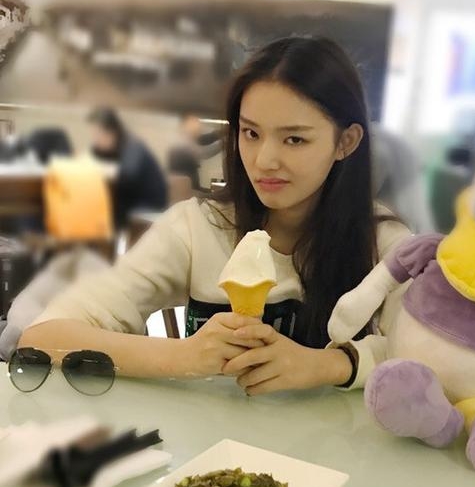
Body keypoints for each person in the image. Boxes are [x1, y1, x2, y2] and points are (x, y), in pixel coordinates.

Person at [20, 36, 410, 395]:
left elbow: (431, 364)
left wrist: (332, 364)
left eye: (294, 139)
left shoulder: (387, 246)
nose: (264, 160)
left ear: (346, 142)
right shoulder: (197, 228)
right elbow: (44, 336)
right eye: (251, 133)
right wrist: (186, 355)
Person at [88, 107, 168, 227]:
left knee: (104, 210)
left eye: (98, 135)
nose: (96, 140)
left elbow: (127, 179)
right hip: (132, 200)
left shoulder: (132, 146)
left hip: (149, 204)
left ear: (111, 132)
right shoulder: (111, 148)